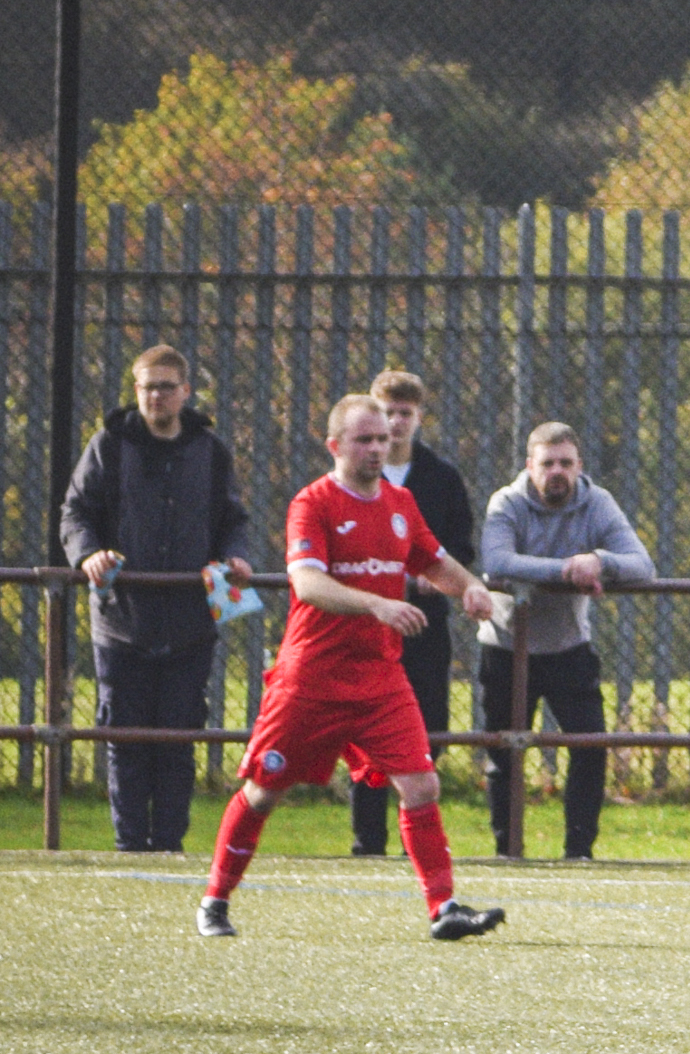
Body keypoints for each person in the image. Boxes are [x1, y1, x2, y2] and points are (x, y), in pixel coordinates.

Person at [197, 395, 505, 942]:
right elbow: (308, 583)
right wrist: (377, 604)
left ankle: (444, 907)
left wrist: (471, 588)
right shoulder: (312, 503)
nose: (376, 449)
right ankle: (216, 899)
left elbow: (432, 559)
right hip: (310, 677)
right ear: (335, 445)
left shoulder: (400, 502)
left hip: (379, 677)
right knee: (265, 791)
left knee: (422, 783)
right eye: (364, 440)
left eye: (383, 439)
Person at [58, 344, 258, 853]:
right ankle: (129, 846)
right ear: (135, 390)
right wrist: (88, 556)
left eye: (167, 386)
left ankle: (169, 844)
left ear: (185, 392)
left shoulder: (208, 450)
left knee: (178, 738)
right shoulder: (109, 445)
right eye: (147, 386)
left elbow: (233, 518)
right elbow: (74, 512)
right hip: (122, 620)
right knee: (124, 740)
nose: (156, 396)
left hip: (191, 620)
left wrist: (236, 557)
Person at [474, 423, 655, 860]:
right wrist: (564, 572)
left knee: (590, 748)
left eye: (566, 463)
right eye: (548, 463)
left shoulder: (598, 503)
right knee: (504, 755)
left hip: (568, 647)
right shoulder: (507, 502)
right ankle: (507, 850)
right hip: (505, 646)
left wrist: (597, 560)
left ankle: (579, 852)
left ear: (580, 466)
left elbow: (642, 566)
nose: (557, 471)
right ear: (529, 466)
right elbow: (496, 561)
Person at [351, 370, 477, 858]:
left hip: (424, 626)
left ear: (419, 417)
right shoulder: (358, 475)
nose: (397, 423)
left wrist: (436, 572)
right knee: (366, 735)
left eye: (406, 413)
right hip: (370, 625)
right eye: (388, 413)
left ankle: (415, 843)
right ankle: (368, 842)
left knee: (424, 732)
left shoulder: (440, 477)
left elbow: (459, 546)